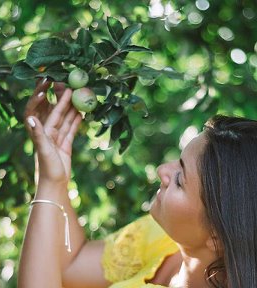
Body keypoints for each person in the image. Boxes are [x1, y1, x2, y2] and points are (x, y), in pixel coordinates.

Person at [17, 79, 257, 288]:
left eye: (180, 181)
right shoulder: (164, 240)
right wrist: (53, 174)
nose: (163, 170)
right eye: (178, 162)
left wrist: (50, 184)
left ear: (216, 237)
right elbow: (71, 267)